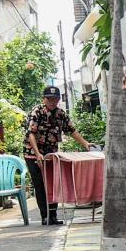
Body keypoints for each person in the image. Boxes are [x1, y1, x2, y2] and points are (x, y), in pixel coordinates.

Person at [24, 85, 93, 226]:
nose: (52, 102)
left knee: (52, 184)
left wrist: (85, 144)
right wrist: (37, 154)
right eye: (49, 99)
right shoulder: (36, 111)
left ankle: (53, 215)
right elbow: (31, 133)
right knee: (40, 185)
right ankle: (45, 216)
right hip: (33, 154)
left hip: (51, 155)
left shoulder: (61, 114)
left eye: (55, 99)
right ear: (44, 99)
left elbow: (71, 131)